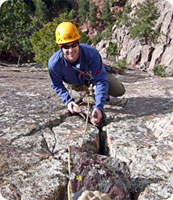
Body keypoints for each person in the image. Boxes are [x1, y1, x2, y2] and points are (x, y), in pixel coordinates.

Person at [48, 22, 125, 125]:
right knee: (83, 93)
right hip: (73, 82)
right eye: (66, 46)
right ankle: (85, 92)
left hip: (93, 77)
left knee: (119, 90)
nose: (70, 50)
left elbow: (100, 80)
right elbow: (57, 84)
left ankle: (100, 93)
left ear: (78, 42)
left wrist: (99, 106)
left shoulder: (91, 54)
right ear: (60, 47)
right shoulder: (54, 63)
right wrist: (68, 101)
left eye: (73, 44)